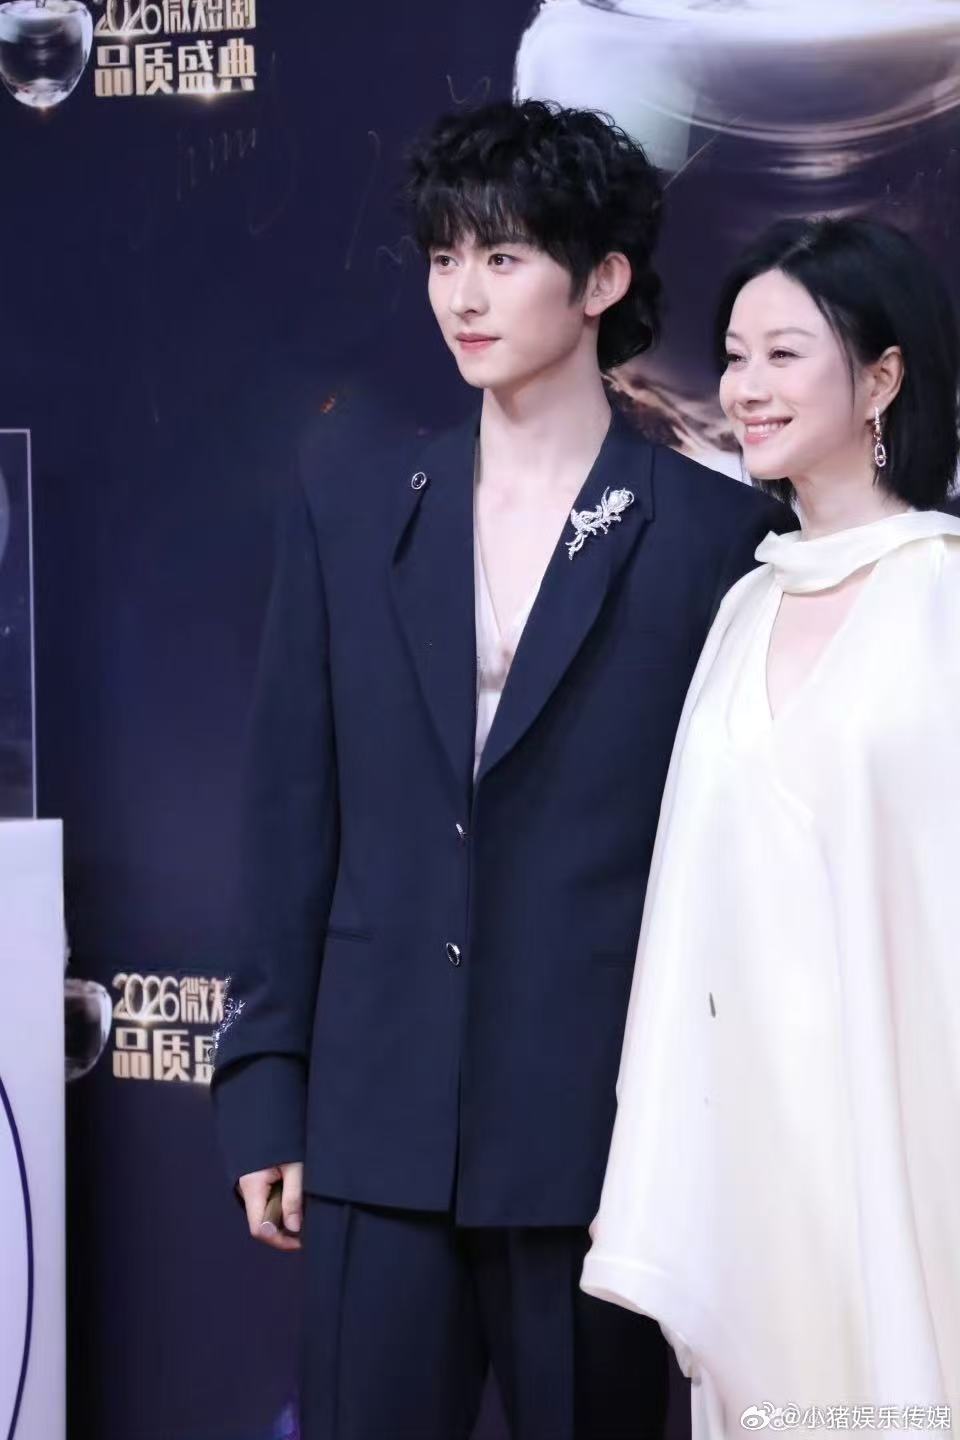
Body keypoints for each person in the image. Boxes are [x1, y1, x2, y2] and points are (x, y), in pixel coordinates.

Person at [211, 99, 792, 1440]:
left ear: (602, 280)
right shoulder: (354, 502)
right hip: (374, 1125)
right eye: (442, 257)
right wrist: (266, 1085)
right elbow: (292, 810)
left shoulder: (711, 535)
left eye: (503, 256)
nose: (461, 295)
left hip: (602, 1140)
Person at [582, 216, 960, 1436]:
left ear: (882, 379)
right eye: (735, 356)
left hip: (909, 1133)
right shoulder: (747, 604)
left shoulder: (942, 598)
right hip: (754, 1144)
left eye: (784, 355)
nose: (745, 387)